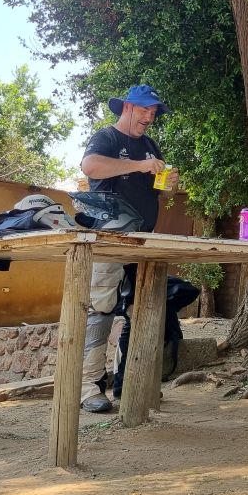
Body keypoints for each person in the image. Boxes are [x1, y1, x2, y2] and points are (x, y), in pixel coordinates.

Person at [77, 84, 177, 413]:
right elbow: (90, 167)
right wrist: (138, 165)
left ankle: (129, 383)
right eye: (146, 109)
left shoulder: (150, 145)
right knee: (100, 308)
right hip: (110, 236)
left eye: (154, 112)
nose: (150, 116)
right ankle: (89, 387)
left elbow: (159, 193)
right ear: (128, 107)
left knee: (142, 308)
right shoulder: (106, 137)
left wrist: (168, 187)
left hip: (143, 239)